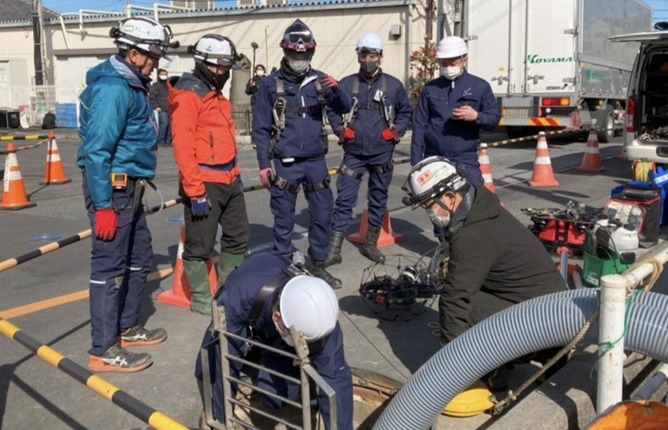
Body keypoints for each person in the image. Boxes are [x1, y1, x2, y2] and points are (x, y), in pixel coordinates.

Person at [403, 156, 566, 389]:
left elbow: (455, 300)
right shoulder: (480, 205)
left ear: (450, 197)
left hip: (545, 323)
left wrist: (450, 366)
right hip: (552, 312)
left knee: (462, 305)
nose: (431, 214)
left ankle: (493, 369)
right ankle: (545, 353)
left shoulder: (474, 234)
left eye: (430, 206)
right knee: (466, 290)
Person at [77, 17, 179, 372]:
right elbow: (97, 150)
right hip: (113, 188)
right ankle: (102, 349)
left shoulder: (132, 83)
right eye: (153, 56)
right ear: (134, 53)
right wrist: (103, 205)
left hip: (130, 186)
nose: (156, 63)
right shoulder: (114, 89)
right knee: (108, 266)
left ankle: (127, 326)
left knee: (140, 256)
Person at [196, 252, 353, 430]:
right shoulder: (237, 300)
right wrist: (222, 424)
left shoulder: (320, 317)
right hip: (251, 309)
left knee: (273, 397)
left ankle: (302, 383)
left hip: (277, 328)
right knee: (206, 369)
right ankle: (255, 356)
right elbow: (226, 366)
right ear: (277, 317)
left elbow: (335, 379)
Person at [252, 19, 352, 290]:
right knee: (283, 218)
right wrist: (264, 164)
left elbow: (342, 107)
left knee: (322, 214)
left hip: (316, 161)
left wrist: (338, 88)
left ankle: (318, 264)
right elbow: (260, 127)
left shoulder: (319, 81)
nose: (299, 58)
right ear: (285, 52)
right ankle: (283, 268)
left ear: (311, 53)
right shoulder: (270, 84)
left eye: (305, 54)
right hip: (285, 163)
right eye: (295, 54)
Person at [169, 34, 250, 315]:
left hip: (229, 179)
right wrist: (194, 190)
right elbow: (183, 146)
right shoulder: (189, 95)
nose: (223, 72)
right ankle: (202, 299)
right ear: (202, 64)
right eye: (218, 67)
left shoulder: (216, 94)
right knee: (199, 244)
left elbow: (224, 138)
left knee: (239, 235)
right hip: (204, 183)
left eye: (226, 67)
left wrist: (235, 172)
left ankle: (228, 291)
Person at [325, 33, 412, 267]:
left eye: (372, 55)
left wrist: (396, 131)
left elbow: (405, 112)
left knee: (378, 198)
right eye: (363, 55)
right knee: (344, 199)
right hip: (353, 152)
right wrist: (340, 131)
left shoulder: (393, 85)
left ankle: (370, 244)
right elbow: (332, 109)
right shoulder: (346, 84)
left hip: (382, 152)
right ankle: (334, 250)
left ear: (380, 56)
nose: (367, 59)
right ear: (358, 56)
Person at [410, 36, 500, 186]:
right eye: (444, 63)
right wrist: (417, 162)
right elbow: (419, 126)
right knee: (438, 207)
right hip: (434, 158)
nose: (448, 67)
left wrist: (476, 116)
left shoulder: (480, 87)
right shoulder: (431, 89)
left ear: (465, 60)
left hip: (464, 158)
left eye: (453, 63)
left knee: (471, 201)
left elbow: (493, 119)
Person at [245, 64, 266, 149]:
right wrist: (251, 86)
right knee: (256, 122)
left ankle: (266, 139)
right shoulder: (253, 80)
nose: (259, 71)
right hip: (256, 103)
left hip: (265, 103)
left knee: (266, 121)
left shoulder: (267, 79)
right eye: (258, 69)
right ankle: (255, 140)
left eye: (261, 69)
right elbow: (247, 92)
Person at [149, 68, 172, 147]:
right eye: (162, 74)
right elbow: (152, 96)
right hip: (161, 108)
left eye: (165, 74)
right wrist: (156, 106)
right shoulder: (156, 85)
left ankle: (168, 140)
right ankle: (161, 141)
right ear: (159, 75)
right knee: (164, 124)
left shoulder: (169, 84)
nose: (164, 76)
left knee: (170, 125)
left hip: (170, 108)